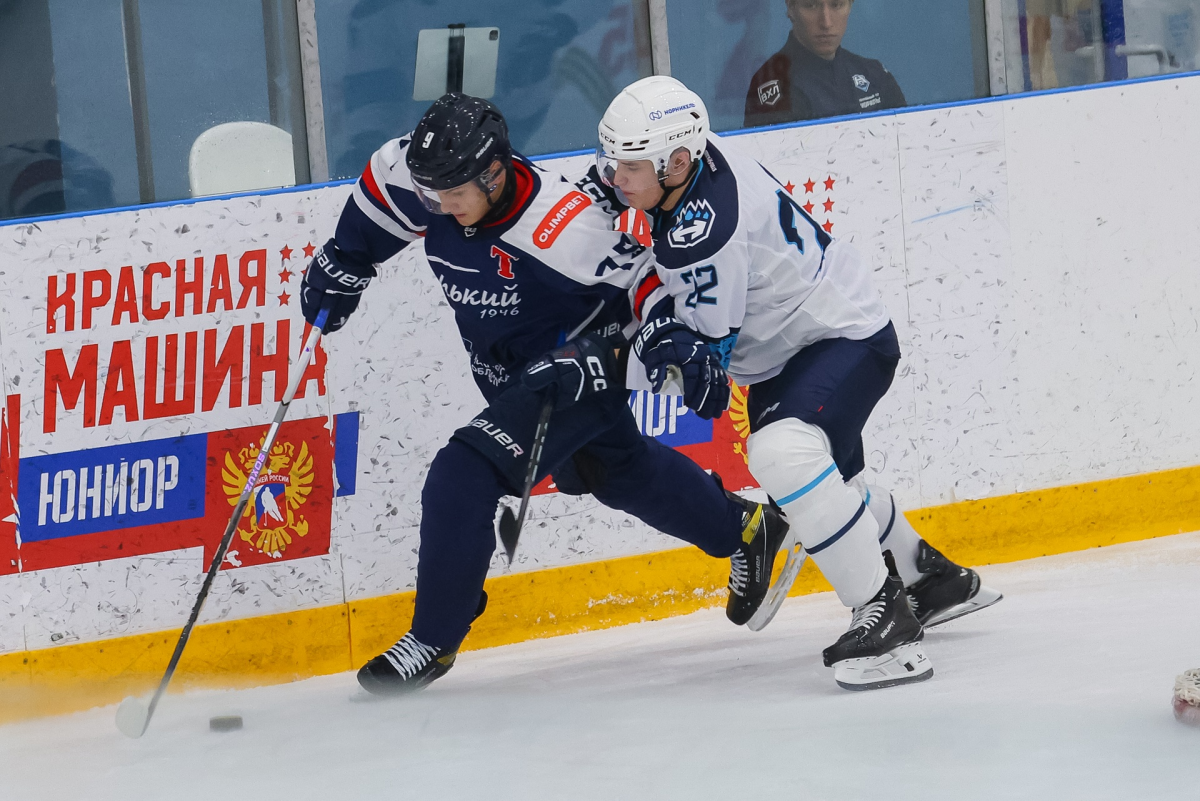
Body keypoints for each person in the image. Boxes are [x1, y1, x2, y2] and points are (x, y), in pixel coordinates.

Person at [299, 93, 790, 696]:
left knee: (463, 474)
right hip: (509, 369)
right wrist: (344, 260)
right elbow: (384, 189)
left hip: (578, 370)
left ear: (493, 173)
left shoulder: (561, 226)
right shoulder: (426, 176)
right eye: (431, 196)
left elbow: (644, 281)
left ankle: (434, 635)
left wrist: (662, 340)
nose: (440, 208)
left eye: (453, 194)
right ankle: (744, 529)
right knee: (612, 470)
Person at [598, 76, 1001, 690]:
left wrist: (631, 352)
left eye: (629, 167)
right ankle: (930, 580)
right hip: (797, 344)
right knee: (829, 493)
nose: (614, 177)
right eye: (611, 160)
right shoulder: (695, 162)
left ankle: (885, 618)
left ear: (676, 162)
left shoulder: (702, 236)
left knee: (782, 455)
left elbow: (703, 374)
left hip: (840, 339)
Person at [743, 0, 905, 128]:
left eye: (836, 5)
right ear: (791, 8)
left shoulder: (873, 73)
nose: (826, 22)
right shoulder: (773, 85)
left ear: (850, 6)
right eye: (811, 5)